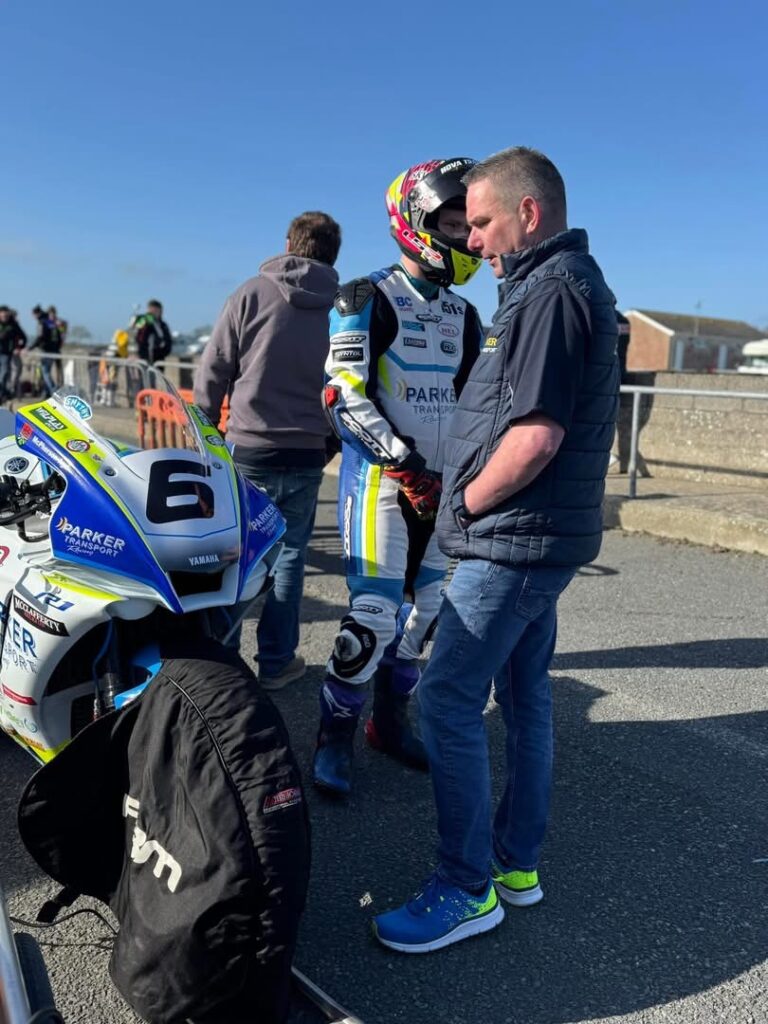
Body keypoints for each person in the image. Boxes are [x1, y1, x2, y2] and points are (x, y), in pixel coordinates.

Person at [373, 147, 619, 952]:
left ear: (528, 214)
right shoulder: (557, 285)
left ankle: (464, 886)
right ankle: (515, 865)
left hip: (510, 542)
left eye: (481, 222)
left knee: (446, 698)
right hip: (535, 540)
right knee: (524, 695)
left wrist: (463, 506)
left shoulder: (549, 292)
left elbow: (536, 436)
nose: (471, 239)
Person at [313, 158, 484, 797]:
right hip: (382, 484)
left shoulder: (465, 315)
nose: (464, 235)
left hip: (445, 487)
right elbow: (341, 396)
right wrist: (405, 465)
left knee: (427, 613)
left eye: (469, 223)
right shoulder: (364, 297)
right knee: (372, 619)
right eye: (452, 223)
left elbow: (476, 405)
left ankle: (388, 723)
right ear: (416, 223)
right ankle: (332, 739)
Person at [194, 211, 342, 689]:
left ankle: (226, 666)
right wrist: (329, 441)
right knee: (291, 556)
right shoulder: (342, 307)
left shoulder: (251, 294)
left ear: (288, 244)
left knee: (238, 554)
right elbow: (351, 383)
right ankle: (277, 662)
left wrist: (206, 437)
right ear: (334, 253)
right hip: (307, 451)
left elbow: (213, 368)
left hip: (249, 448)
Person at [29, 305, 63, 397]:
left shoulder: (44, 322)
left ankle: (53, 390)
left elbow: (41, 337)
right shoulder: (53, 323)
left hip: (47, 350)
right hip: (53, 350)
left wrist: (30, 347)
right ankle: (46, 392)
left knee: (45, 372)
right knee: (45, 371)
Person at [133, 300, 173, 365]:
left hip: (158, 360)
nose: (154, 313)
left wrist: (163, 352)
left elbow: (167, 341)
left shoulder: (163, 325)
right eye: (151, 311)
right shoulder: (143, 320)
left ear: (160, 312)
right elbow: (136, 334)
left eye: (156, 311)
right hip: (144, 358)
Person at [0, 306, 27, 402]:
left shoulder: (13, 325)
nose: (4, 317)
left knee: (4, 374)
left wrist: (19, 348)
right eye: (2, 315)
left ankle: (2, 394)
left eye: (6, 315)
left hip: (6, 354)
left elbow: (23, 337)